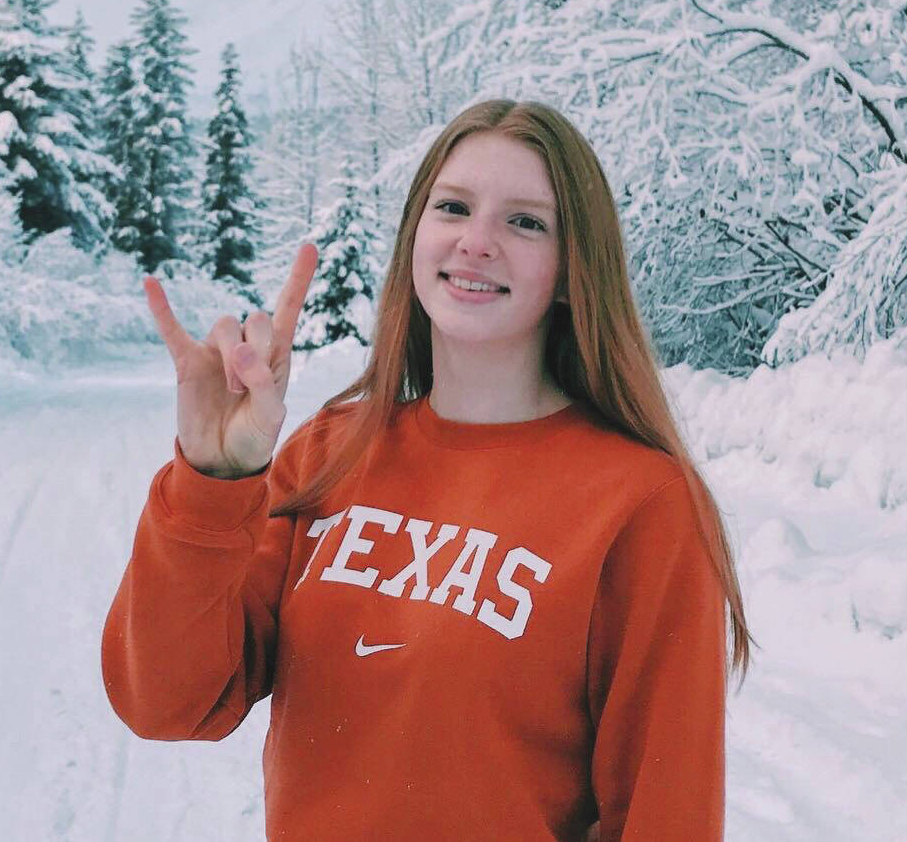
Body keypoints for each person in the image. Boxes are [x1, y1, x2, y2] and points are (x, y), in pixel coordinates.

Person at [101, 99, 754, 841]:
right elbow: (167, 703)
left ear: (575, 271)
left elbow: (667, 815)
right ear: (416, 236)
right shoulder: (330, 452)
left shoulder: (643, 503)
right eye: (454, 207)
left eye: (525, 221)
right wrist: (213, 481)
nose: (477, 241)